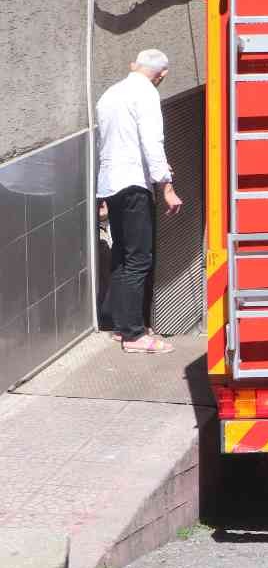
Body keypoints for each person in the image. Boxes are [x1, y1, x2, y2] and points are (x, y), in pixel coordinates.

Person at [95, 49, 183, 354]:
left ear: (134, 65)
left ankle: (122, 326)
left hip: (111, 184)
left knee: (122, 255)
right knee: (139, 258)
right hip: (134, 184)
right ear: (161, 75)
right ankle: (134, 336)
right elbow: (151, 142)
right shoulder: (145, 94)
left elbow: (104, 141)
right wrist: (166, 186)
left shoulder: (110, 94)